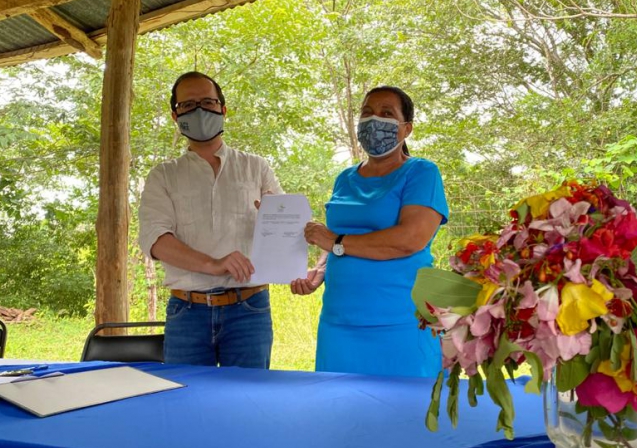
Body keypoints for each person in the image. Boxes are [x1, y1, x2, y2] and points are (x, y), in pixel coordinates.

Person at [292, 86, 449, 378]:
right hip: (339, 325)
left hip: (401, 323)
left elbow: (409, 240)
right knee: (340, 414)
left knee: (406, 415)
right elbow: (337, 241)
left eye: (386, 113)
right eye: (367, 112)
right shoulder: (344, 179)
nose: (374, 120)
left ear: (407, 128)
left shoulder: (421, 173)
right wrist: (320, 270)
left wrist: (334, 241)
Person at [139, 71, 283, 367]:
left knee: (248, 403)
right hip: (187, 311)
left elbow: (285, 230)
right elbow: (156, 240)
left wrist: (280, 223)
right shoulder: (163, 176)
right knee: (187, 406)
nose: (200, 110)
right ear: (174, 116)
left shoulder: (256, 167)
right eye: (188, 105)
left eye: (207, 102)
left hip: (250, 310)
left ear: (223, 109)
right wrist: (213, 265)